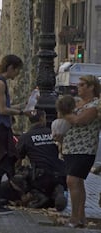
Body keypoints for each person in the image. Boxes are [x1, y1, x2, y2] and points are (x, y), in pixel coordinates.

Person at [0, 54, 33, 215]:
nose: (17, 74)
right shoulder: (0, 84)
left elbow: (2, 106)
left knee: (2, 164)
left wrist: (23, 105)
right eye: (17, 70)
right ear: (10, 68)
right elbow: (3, 110)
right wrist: (22, 112)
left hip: (0, 129)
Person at [54, 75, 101, 228]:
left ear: (91, 87)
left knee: (72, 181)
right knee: (78, 183)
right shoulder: (77, 103)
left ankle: (74, 218)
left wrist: (63, 113)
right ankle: (81, 217)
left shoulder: (95, 105)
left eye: (82, 85)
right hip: (69, 147)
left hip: (84, 149)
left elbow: (80, 120)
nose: (78, 87)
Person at [16, 109, 68, 211]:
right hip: (60, 173)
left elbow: (17, 159)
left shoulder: (25, 137)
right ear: (42, 119)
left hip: (41, 176)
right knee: (56, 179)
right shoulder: (53, 133)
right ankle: (58, 191)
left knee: (21, 173)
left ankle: (39, 195)